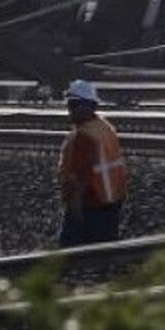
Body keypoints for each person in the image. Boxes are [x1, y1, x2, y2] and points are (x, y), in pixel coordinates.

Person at [58, 79, 127, 247]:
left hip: (90, 204)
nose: (71, 111)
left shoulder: (84, 136)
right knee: (103, 254)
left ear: (90, 107)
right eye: (70, 105)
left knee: (72, 256)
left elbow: (80, 175)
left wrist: (75, 207)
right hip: (111, 202)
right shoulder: (105, 128)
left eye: (75, 105)